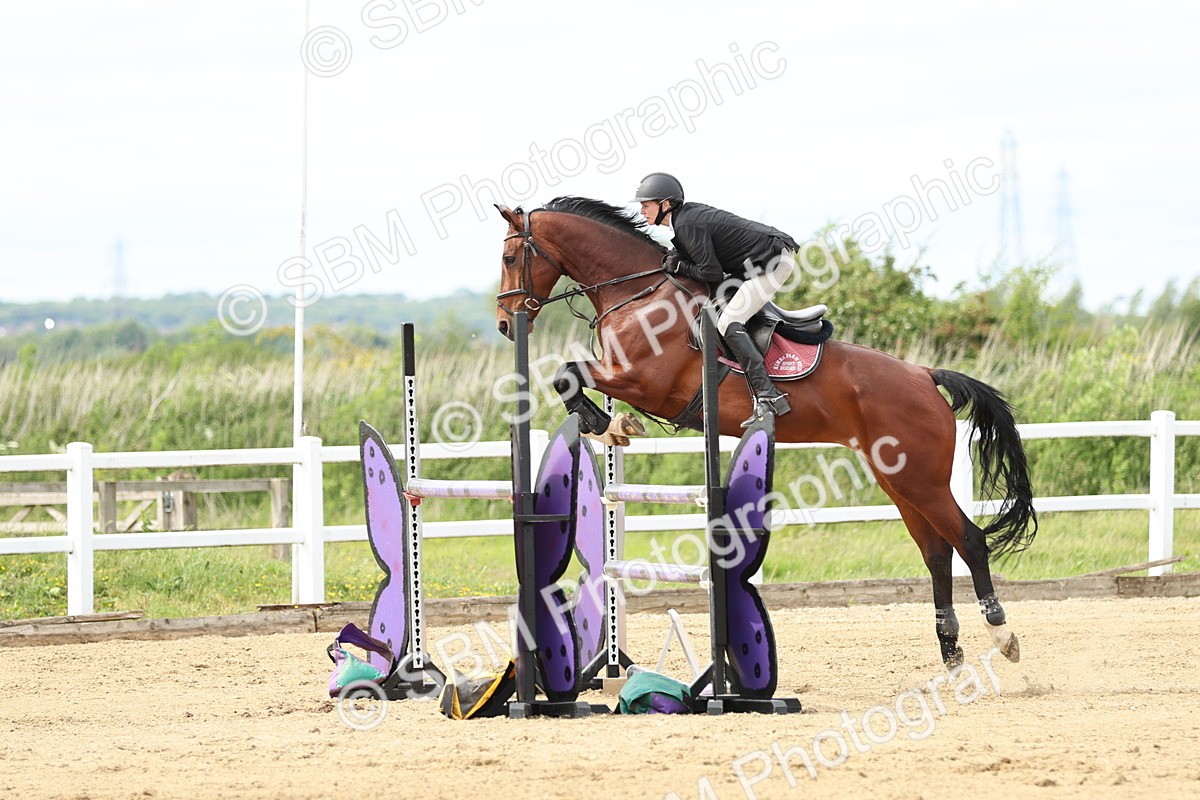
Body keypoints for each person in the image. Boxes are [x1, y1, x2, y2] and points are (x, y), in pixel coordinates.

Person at [632, 172, 796, 426]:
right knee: (716, 307)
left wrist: (680, 267)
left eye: (646, 205)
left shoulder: (686, 224)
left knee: (728, 322)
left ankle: (768, 396)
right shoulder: (683, 220)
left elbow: (711, 272)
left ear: (666, 204)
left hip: (771, 261)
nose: (641, 211)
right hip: (752, 264)